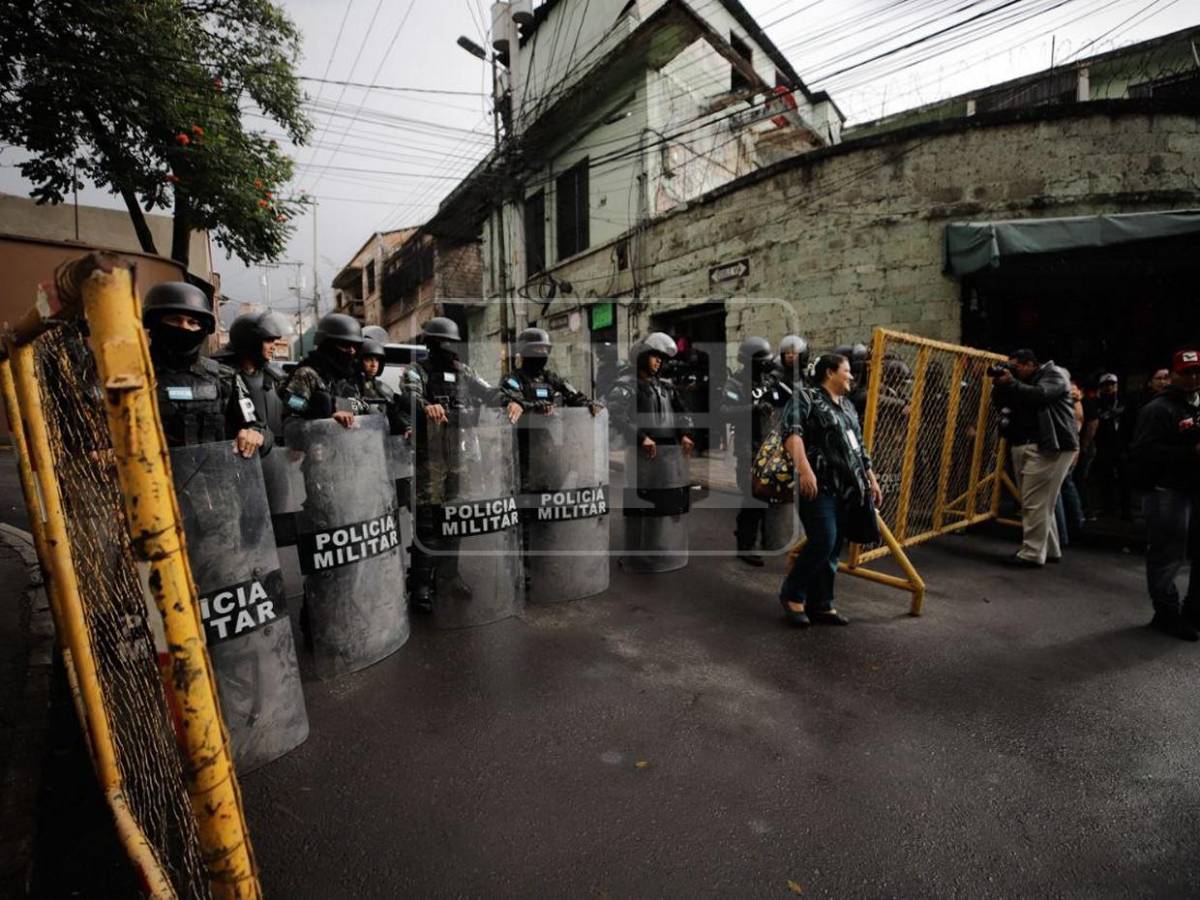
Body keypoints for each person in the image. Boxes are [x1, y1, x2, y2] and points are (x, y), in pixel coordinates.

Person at [400, 316, 508, 612]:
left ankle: (449, 576)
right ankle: (421, 584)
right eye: (441, 344)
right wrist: (425, 406)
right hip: (430, 459)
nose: (447, 350)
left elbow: (489, 391)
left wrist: (510, 400)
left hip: (460, 456)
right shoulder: (417, 371)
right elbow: (409, 394)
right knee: (426, 522)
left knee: (454, 518)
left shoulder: (464, 371)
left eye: (450, 344)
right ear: (431, 344)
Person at [777, 353, 882, 627]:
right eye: (846, 371)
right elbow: (792, 434)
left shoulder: (847, 405)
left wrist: (870, 478)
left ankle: (821, 604)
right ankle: (792, 594)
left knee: (834, 546)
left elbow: (858, 445)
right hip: (817, 485)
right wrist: (805, 470)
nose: (851, 376)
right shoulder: (807, 398)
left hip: (847, 488)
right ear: (829, 372)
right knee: (823, 539)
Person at [142, 282, 270, 457]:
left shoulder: (223, 377)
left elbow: (257, 426)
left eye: (193, 322)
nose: (184, 328)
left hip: (210, 479)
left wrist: (255, 436)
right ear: (154, 322)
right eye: (174, 319)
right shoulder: (129, 377)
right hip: (147, 480)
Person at [1129, 350, 1200, 641]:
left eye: (1197, 371)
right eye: (1186, 372)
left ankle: (1193, 611)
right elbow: (1143, 453)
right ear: (1173, 374)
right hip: (1168, 491)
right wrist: (1189, 453)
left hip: (1193, 490)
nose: (1193, 377)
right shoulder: (1158, 409)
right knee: (1167, 554)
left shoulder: (1195, 403)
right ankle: (1166, 613)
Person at [991, 349, 1078, 566]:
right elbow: (1000, 404)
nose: (1014, 371)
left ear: (1030, 364)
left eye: (1016, 366)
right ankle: (1049, 549)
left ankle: (1031, 554)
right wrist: (1001, 385)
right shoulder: (1019, 383)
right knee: (1039, 502)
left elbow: (1041, 395)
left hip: (1048, 446)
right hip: (1027, 444)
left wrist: (1011, 383)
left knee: (1034, 503)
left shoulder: (1054, 374)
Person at [722, 336, 788, 566]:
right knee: (753, 497)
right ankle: (745, 544)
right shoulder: (736, 384)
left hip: (769, 448)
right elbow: (724, 411)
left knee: (765, 496)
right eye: (761, 361)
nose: (766, 365)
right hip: (747, 448)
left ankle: (763, 539)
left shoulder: (768, 382)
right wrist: (753, 408)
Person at [606, 332, 695, 460]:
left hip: (669, 453)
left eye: (661, 357)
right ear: (641, 357)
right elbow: (617, 414)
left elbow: (682, 412)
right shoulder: (626, 385)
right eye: (654, 355)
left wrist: (685, 434)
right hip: (640, 453)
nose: (659, 360)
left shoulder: (666, 387)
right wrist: (641, 437)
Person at [279, 313, 371, 428]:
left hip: (351, 441)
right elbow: (291, 400)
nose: (351, 350)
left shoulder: (353, 378)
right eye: (345, 344)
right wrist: (316, 411)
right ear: (328, 345)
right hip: (317, 441)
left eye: (355, 346)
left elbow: (363, 408)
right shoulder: (308, 373)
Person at [497, 327, 601, 418]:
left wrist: (588, 404)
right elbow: (515, 401)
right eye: (538, 349)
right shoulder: (513, 379)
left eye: (546, 349)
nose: (543, 353)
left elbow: (571, 394)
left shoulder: (550, 377)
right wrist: (538, 407)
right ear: (526, 351)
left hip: (551, 434)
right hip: (523, 436)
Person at [220, 310, 290, 442]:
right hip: (237, 455)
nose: (273, 347)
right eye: (268, 341)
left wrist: (311, 407)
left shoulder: (275, 376)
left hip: (276, 455)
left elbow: (293, 400)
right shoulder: (223, 377)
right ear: (250, 341)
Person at [1082, 372, 1130, 519]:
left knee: (1125, 479)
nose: (1109, 388)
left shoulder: (1125, 401)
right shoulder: (1095, 403)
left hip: (1123, 444)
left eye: (1112, 384)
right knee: (1105, 478)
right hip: (1103, 445)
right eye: (1105, 385)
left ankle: (1126, 510)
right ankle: (1108, 509)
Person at [359, 337, 408, 435]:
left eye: (376, 360)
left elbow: (394, 414)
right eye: (369, 360)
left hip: (379, 439)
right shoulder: (351, 384)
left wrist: (406, 428)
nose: (374, 364)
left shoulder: (382, 388)